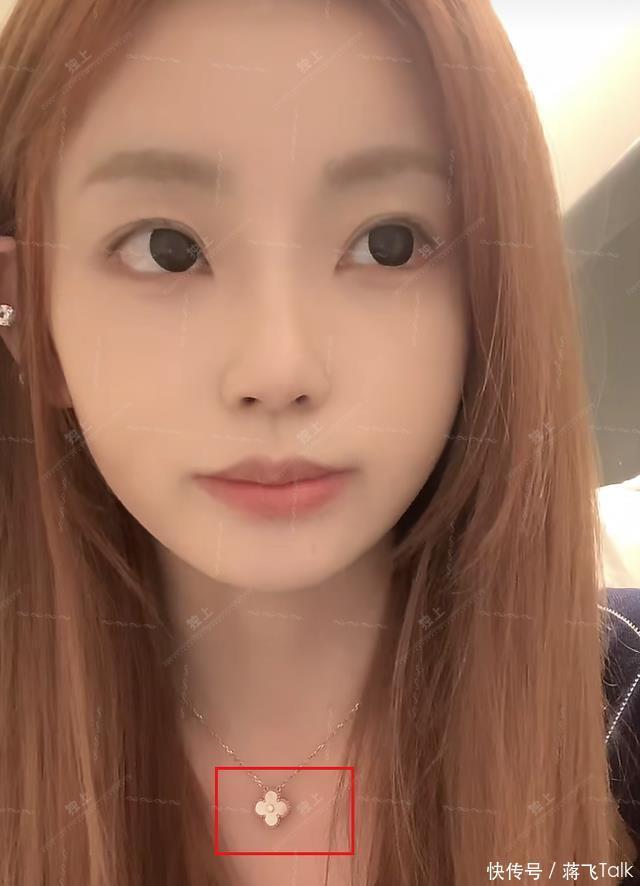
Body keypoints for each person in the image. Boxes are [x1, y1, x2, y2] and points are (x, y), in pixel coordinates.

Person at [0, 0, 636, 883]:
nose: (279, 367)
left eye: (388, 244)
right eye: (167, 249)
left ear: (490, 295)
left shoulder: (622, 712)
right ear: (28, 311)